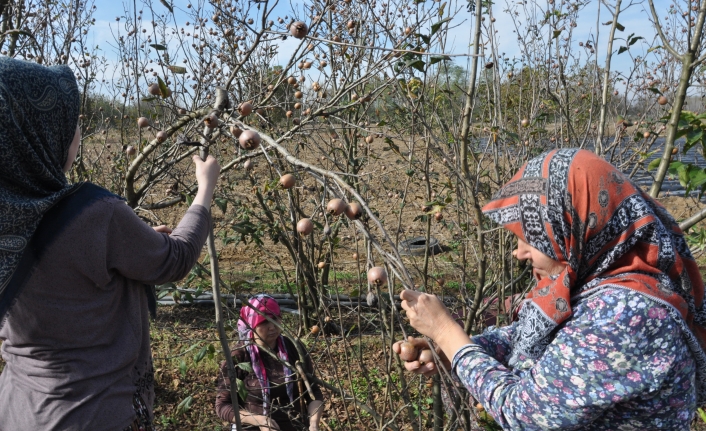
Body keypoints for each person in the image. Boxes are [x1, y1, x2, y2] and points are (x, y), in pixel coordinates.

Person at [394, 148, 706, 429]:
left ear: (575, 226)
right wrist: (462, 348)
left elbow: (524, 414)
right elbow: (536, 336)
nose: (519, 252)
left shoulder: (629, 315)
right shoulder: (597, 283)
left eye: (531, 236)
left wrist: (449, 335)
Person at [0, 57, 220, 430]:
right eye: (68, 124)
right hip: (95, 413)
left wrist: (131, 247)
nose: (76, 134)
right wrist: (205, 189)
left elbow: (64, 282)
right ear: (36, 133)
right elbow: (176, 259)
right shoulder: (95, 215)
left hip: (19, 410)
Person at [216, 294, 324, 431]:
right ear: (251, 323)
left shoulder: (293, 348)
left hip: (294, 426)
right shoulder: (238, 357)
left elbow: (313, 390)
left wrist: (313, 423)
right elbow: (223, 406)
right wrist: (259, 420)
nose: (272, 327)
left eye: (275, 319)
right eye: (264, 321)